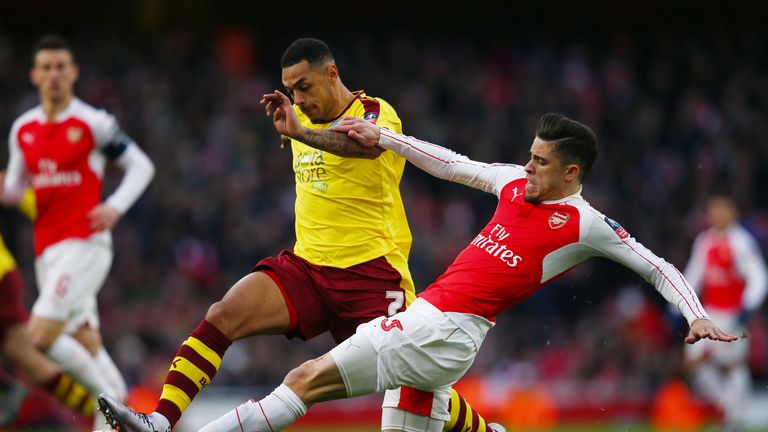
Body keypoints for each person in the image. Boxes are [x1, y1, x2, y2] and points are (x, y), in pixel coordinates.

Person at [191, 99, 737, 432]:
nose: (528, 166)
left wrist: (695, 315)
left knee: (303, 379)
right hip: (440, 333)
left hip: (442, 327)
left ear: (572, 173)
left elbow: (656, 264)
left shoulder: (584, 222)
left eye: (541, 162)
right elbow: (452, 164)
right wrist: (385, 138)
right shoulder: (515, 184)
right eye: (529, 154)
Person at [98, 38, 498, 432]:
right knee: (224, 315)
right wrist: (298, 129)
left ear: (332, 73)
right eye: (291, 91)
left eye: (304, 87)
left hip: (373, 274)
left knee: (418, 385)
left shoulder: (375, 111)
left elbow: (365, 148)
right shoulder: (299, 122)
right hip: (307, 268)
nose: (299, 99)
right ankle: (158, 422)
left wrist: (301, 133)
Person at [0, 34, 155, 421]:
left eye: (61, 67)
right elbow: (15, 189)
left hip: (86, 244)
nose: (54, 75)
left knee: (40, 336)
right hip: (47, 251)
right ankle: (118, 409)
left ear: (73, 73)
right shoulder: (23, 130)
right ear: (34, 75)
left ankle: (112, 400)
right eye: (46, 68)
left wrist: (114, 207)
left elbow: (141, 166)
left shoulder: (94, 123)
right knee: (86, 341)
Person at [0, 193, 95, 421]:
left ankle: (3, 387)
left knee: (28, 349)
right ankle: (99, 408)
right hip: (5, 275)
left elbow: (19, 191)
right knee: (25, 354)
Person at [682, 195, 767, 429]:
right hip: (708, 313)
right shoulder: (704, 240)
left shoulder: (741, 241)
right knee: (692, 362)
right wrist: (677, 305)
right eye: (713, 211)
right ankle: (729, 409)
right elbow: (694, 274)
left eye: (721, 210)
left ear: (732, 213)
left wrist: (747, 306)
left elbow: (758, 276)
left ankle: (730, 418)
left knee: (734, 364)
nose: (716, 215)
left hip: (732, 312)